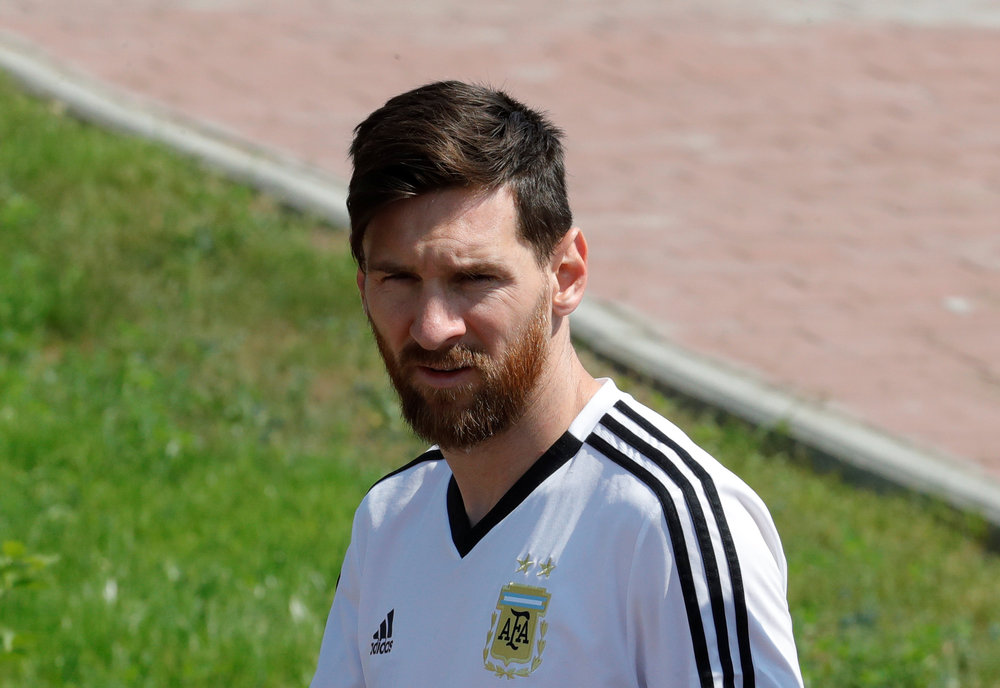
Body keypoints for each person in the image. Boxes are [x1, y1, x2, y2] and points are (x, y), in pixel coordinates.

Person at [310, 80, 803, 687]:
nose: (433, 327)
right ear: (363, 288)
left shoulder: (665, 525)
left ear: (565, 275)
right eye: (399, 280)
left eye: (473, 279)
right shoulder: (388, 523)